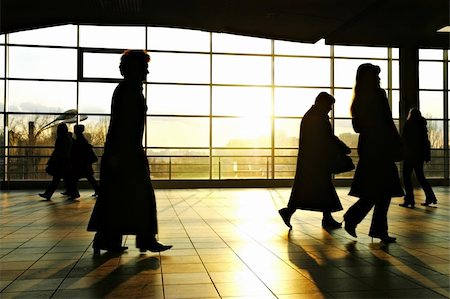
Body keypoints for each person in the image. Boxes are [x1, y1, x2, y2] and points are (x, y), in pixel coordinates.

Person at [87, 50, 172, 254]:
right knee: (140, 196)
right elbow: (125, 126)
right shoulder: (129, 91)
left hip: (121, 152)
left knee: (117, 197)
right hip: (126, 153)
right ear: (134, 69)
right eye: (144, 67)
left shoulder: (127, 89)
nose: (147, 72)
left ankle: (109, 239)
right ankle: (144, 239)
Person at [343, 63, 404, 244]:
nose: (379, 79)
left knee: (375, 191)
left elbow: (358, 126)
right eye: (376, 76)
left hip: (369, 148)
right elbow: (387, 121)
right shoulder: (379, 95)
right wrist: (397, 141)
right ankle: (372, 227)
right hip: (381, 149)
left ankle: (357, 220)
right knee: (382, 191)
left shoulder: (359, 99)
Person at [279, 92, 351, 230]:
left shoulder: (311, 116)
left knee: (311, 189)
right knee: (322, 189)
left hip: (311, 160)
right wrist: (343, 148)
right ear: (322, 103)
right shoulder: (319, 118)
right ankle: (324, 218)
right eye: (330, 105)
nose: (330, 108)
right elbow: (327, 138)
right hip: (316, 161)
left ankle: (292, 212)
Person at [400, 108, 437, 208]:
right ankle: (430, 197)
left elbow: (404, 140)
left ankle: (409, 199)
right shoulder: (422, 126)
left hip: (409, 156)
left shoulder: (408, 125)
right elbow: (425, 142)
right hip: (419, 156)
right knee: (421, 177)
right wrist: (426, 156)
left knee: (406, 178)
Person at [39, 123, 74, 200]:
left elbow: (58, 151)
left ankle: (48, 194)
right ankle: (73, 193)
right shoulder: (67, 139)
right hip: (64, 162)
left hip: (60, 163)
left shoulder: (61, 139)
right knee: (64, 180)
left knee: (57, 180)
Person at [67, 124, 100, 200]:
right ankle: (98, 191)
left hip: (80, 164)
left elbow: (77, 150)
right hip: (85, 164)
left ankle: (75, 194)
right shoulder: (82, 138)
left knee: (73, 178)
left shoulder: (79, 139)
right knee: (90, 178)